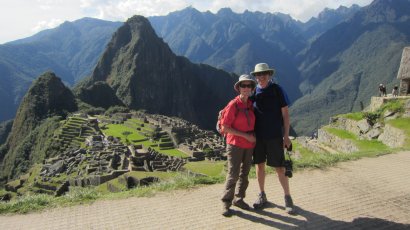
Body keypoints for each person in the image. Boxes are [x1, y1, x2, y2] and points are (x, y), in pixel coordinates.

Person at [250, 63, 295, 214]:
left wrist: (286, 135)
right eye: (258, 75)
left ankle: (287, 197)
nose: (261, 77)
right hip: (259, 137)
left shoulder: (277, 90)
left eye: (264, 74)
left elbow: (285, 114)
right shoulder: (253, 92)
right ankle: (262, 195)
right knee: (259, 166)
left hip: (275, 136)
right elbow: (242, 107)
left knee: (279, 168)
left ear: (269, 75)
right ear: (255, 77)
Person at [220, 74, 257, 217]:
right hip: (235, 144)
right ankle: (226, 202)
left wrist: (253, 137)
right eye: (243, 85)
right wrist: (246, 136)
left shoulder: (250, 104)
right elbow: (225, 127)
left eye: (249, 85)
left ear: (252, 88)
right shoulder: (233, 105)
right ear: (239, 88)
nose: (246, 88)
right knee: (233, 174)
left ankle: (239, 199)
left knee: (245, 173)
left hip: (249, 144)